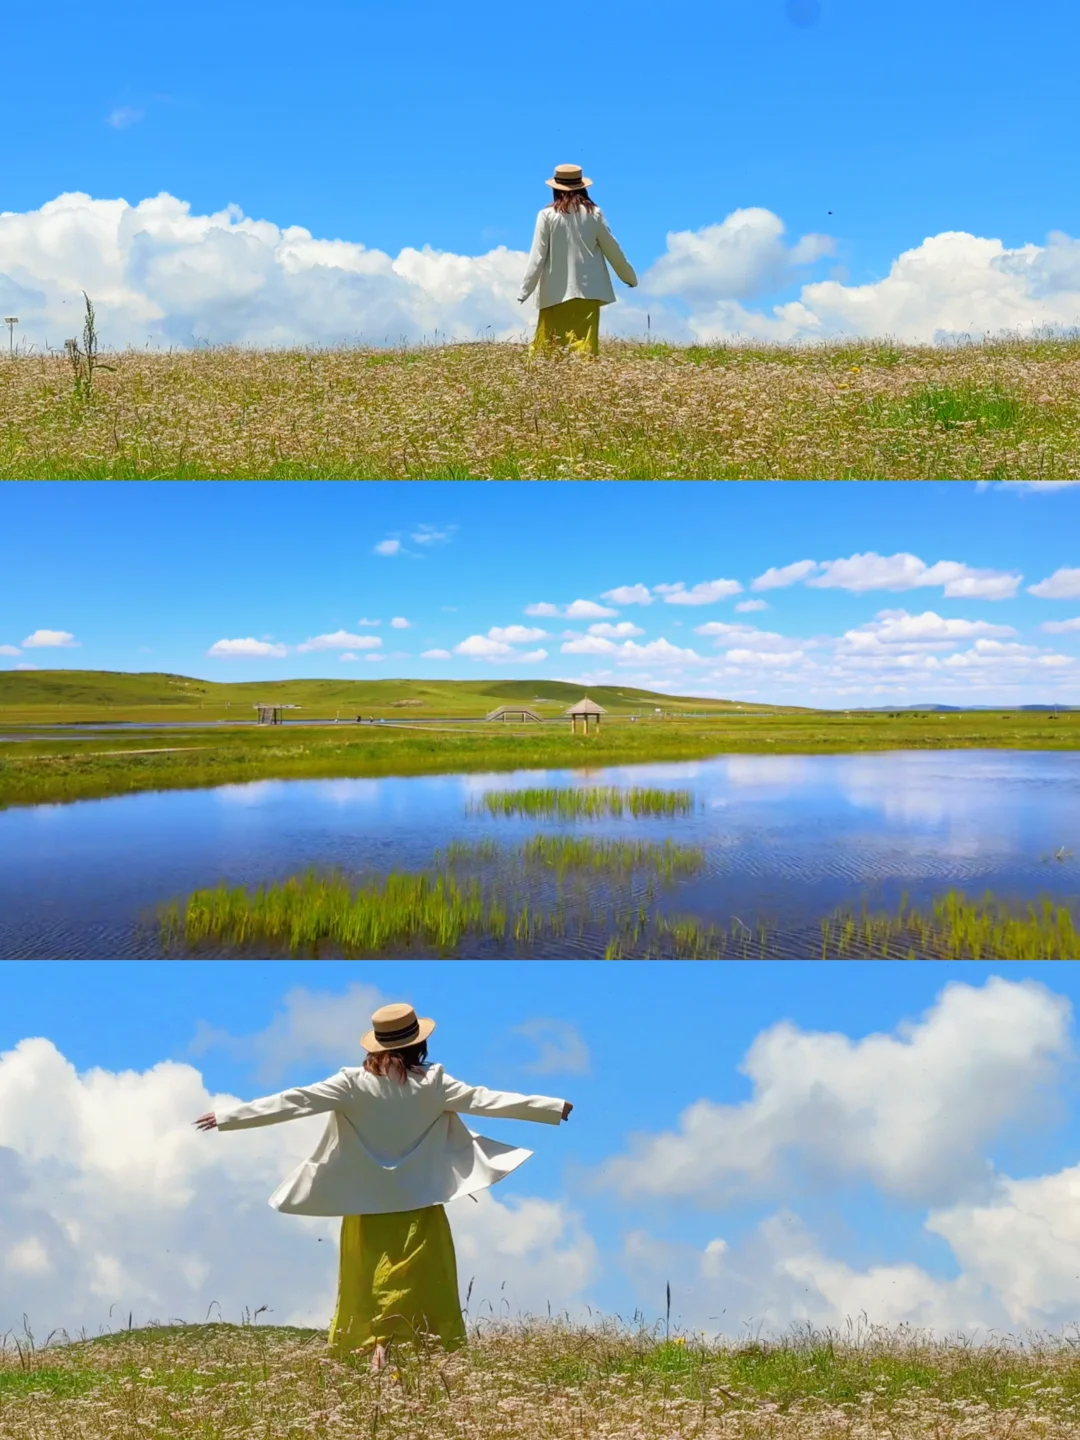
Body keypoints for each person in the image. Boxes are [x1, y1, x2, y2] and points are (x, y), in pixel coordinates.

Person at [193, 1002, 573, 1371]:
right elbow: (486, 1100)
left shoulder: (351, 1084)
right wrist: (551, 1107)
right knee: (420, 1282)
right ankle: (419, 1353)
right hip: (419, 1202)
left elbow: (295, 1101)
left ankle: (378, 1352)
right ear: (418, 1044)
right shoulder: (434, 1083)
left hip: (366, 1205)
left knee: (369, 1283)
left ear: (375, 1045)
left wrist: (229, 1116)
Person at [518, 163, 638, 356]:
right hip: (588, 292)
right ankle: (582, 381)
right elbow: (613, 249)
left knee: (549, 348)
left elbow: (537, 256)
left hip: (554, 293)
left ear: (555, 188)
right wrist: (629, 278)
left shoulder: (547, 215)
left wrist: (525, 290)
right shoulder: (594, 213)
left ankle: (549, 384)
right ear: (582, 187)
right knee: (584, 348)